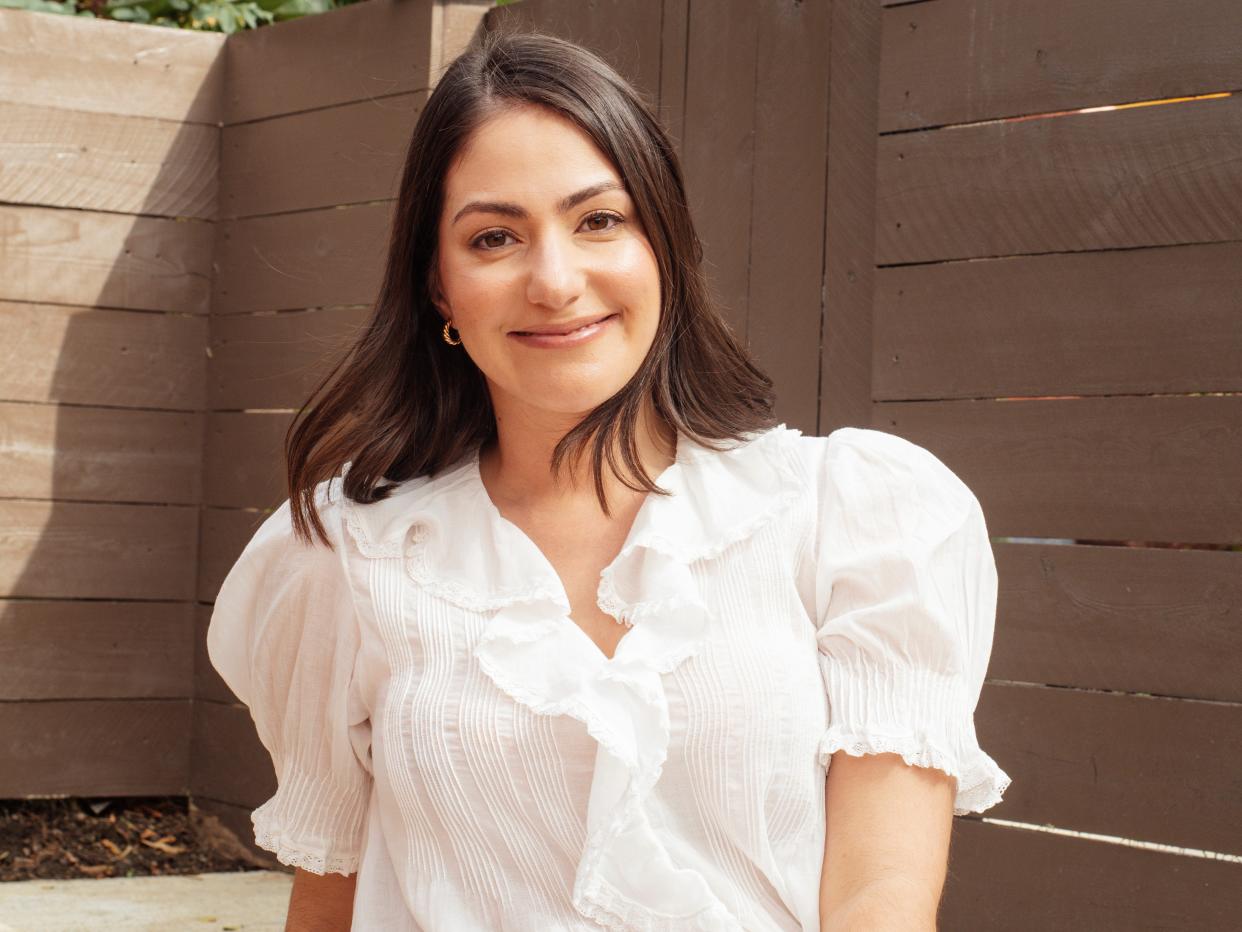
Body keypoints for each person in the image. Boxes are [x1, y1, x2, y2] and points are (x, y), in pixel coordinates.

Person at [206, 27, 1011, 932]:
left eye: (599, 220)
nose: (554, 280)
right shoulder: (347, 557)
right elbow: (332, 898)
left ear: (662, 243)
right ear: (438, 286)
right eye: (494, 236)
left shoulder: (850, 516)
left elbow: (881, 895)